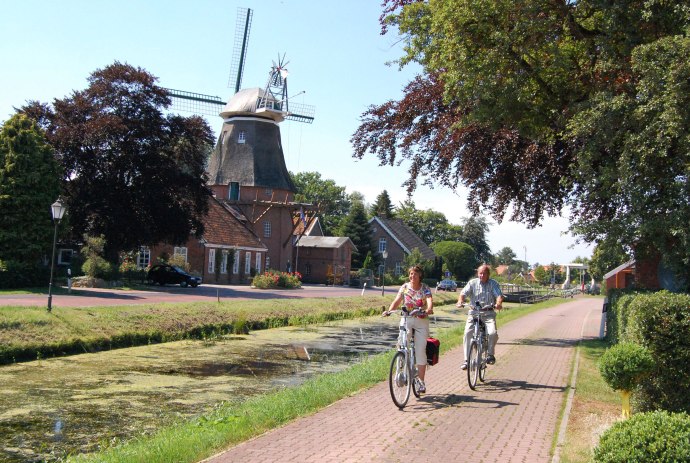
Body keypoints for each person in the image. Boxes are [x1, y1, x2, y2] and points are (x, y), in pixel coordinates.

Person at [384, 265, 434, 393]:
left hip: (421, 320)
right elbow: (397, 300)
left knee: (421, 349)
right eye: (411, 274)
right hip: (406, 318)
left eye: (415, 274)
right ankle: (400, 366)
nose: (412, 276)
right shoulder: (405, 287)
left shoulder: (425, 288)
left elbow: (429, 299)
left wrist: (428, 309)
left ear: (420, 276)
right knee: (401, 343)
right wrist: (389, 311)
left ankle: (421, 382)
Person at [457, 264, 504, 370]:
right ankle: (466, 360)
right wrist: (460, 301)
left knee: (492, 333)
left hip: (488, 314)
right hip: (474, 313)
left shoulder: (493, 283)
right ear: (477, 273)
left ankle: (490, 354)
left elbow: (499, 296)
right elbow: (463, 293)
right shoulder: (472, 283)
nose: (482, 275)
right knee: (467, 333)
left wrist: (498, 303)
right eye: (480, 273)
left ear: (488, 274)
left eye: (484, 273)